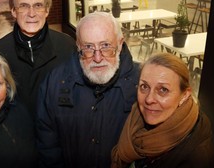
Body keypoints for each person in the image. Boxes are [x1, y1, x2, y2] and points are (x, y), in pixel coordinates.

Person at [36, 12, 139, 168]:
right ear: (78, 47)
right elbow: (46, 140)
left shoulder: (142, 84)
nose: (97, 58)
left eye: (106, 46)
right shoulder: (54, 82)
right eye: (88, 47)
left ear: (120, 44)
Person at [0, 0, 76, 119]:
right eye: (23, 6)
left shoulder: (67, 46)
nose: (31, 14)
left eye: (38, 5)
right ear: (13, 11)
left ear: (47, 10)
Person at [111, 53, 214, 168]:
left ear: (184, 95)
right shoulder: (134, 118)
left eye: (163, 89)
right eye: (144, 86)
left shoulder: (198, 158)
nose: (149, 99)